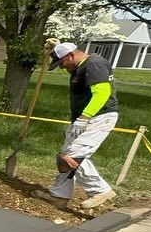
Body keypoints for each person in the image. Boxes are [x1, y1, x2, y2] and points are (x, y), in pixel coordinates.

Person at [31, 42, 119, 209]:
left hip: (99, 117)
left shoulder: (94, 64)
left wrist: (84, 117)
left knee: (72, 157)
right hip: (82, 118)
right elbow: (65, 50)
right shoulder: (80, 65)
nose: (62, 67)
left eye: (62, 63)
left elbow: (102, 93)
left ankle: (100, 190)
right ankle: (59, 196)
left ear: (70, 55)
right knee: (63, 159)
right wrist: (57, 46)